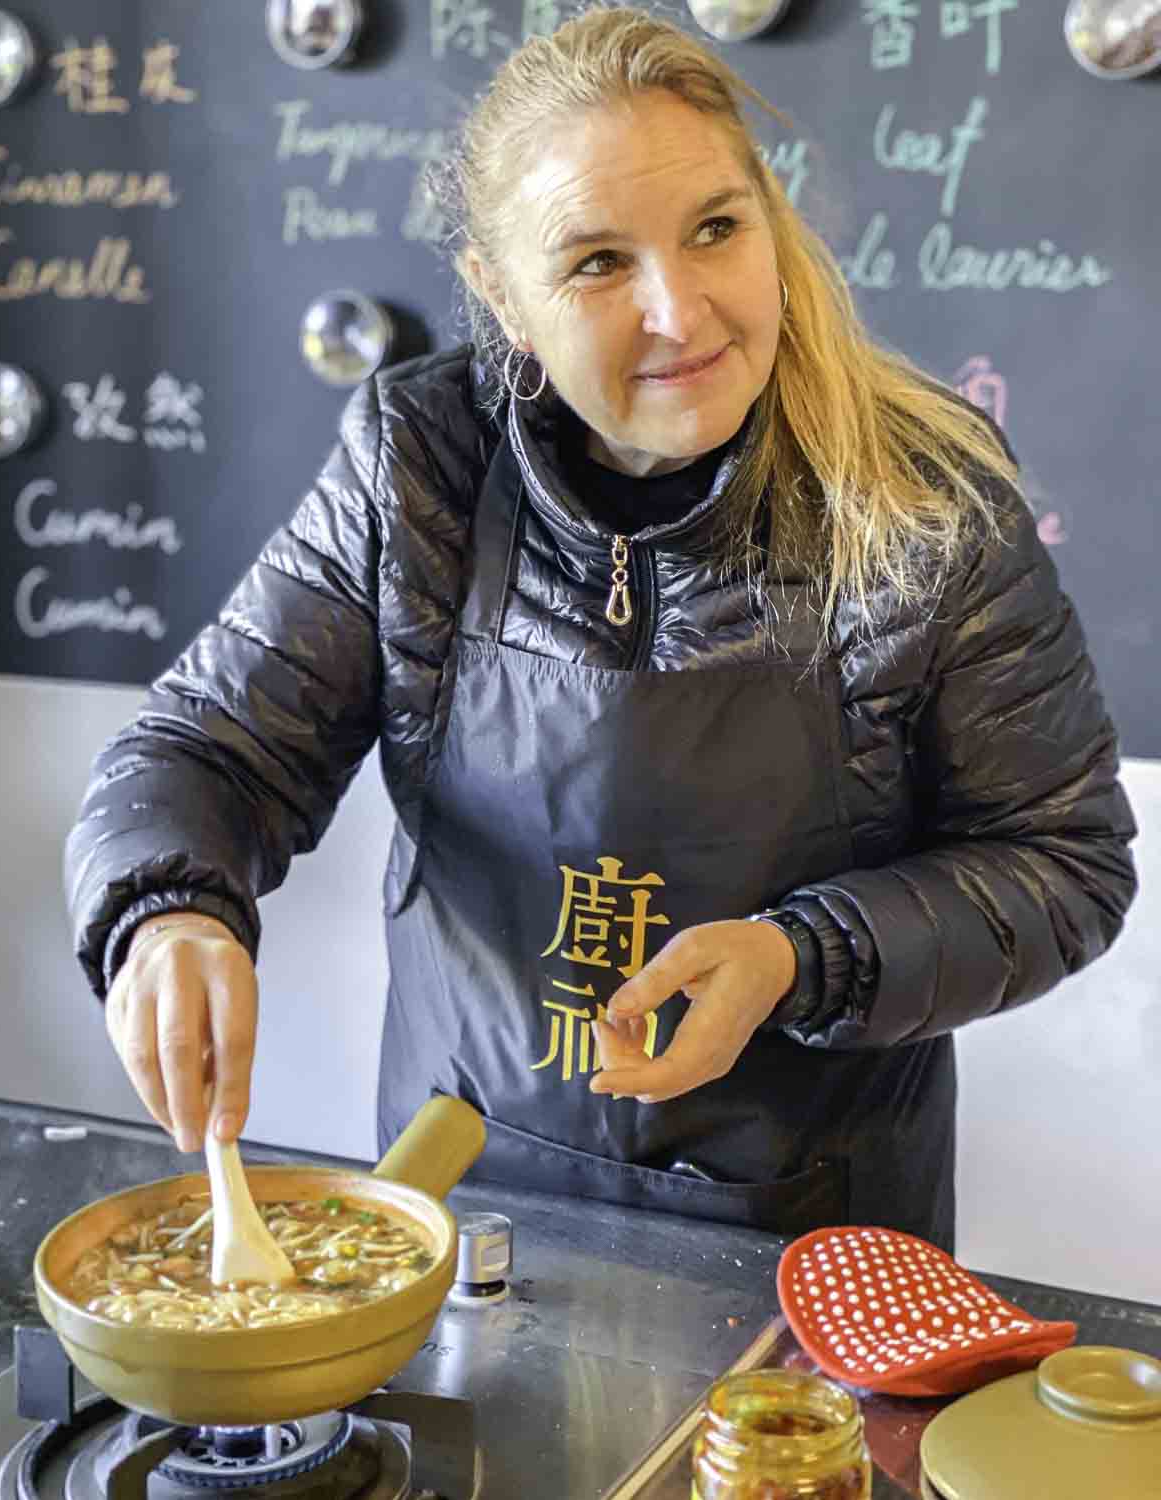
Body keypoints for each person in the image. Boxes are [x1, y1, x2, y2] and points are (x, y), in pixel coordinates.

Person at [65, 7, 1136, 1252]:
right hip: (453, 1201)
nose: (680, 312)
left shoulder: (925, 496)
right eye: (596, 263)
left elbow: (1065, 861)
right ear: (502, 296)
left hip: (811, 1238)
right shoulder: (420, 465)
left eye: (717, 231)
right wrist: (167, 911)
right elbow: (208, 749)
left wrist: (803, 957)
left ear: (770, 228)